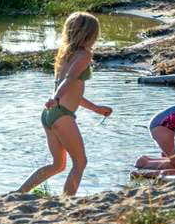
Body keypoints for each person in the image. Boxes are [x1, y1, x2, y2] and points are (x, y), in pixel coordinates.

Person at [19, 12, 112, 196]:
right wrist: (55, 97)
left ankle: (19, 193)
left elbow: (72, 91)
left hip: (49, 114)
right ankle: (67, 200)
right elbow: (69, 80)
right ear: (89, 34)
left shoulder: (65, 54)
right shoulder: (84, 55)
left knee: (58, 164)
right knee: (80, 162)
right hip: (61, 114)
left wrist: (96, 109)